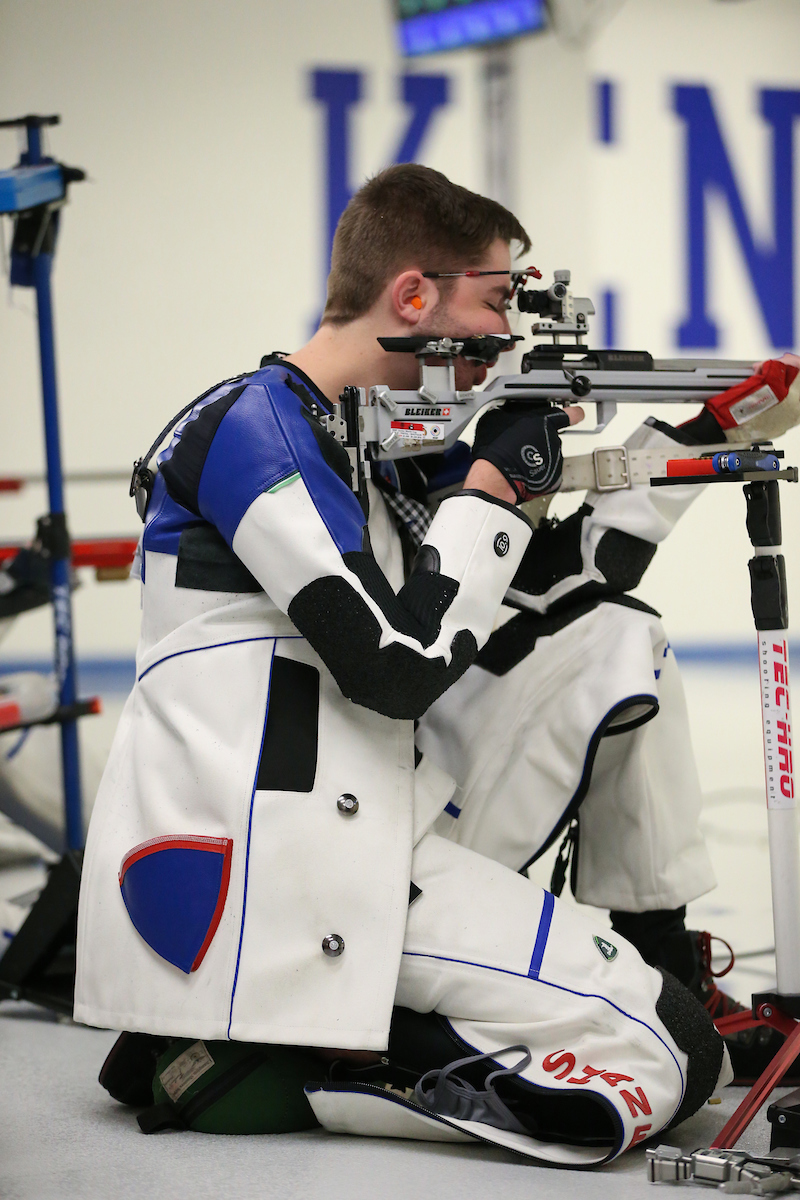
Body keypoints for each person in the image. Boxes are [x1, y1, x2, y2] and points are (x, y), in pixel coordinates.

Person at [74, 164, 730, 1162]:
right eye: (496, 299)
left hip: (376, 819)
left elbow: (551, 583)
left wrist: (696, 440)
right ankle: (341, 1060)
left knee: (613, 636)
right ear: (412, 296)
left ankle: (613, 963)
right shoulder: (251, 426)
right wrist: (485, 488)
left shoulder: (353, 444)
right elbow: (393, 663)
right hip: (289, 871)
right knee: (667, 1054)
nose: (505, 335)